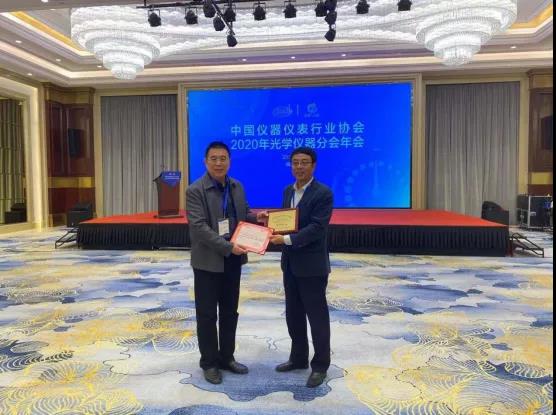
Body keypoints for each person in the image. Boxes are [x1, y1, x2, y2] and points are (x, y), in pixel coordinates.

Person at [186, 141, 265, 384]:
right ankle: (209, 363)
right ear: (205, 161)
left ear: (229, 161)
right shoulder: (195, 190)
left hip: (233, 260)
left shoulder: (236, 186)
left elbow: (243, 215)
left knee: (230, 312)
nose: (219, 163)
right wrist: (228, 247)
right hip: (208, 262)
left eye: (223, 159)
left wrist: (257, 218)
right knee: (207, 314)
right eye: (214, 159)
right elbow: (199, 228)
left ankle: (227, 357)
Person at [269, 147, 334, 388]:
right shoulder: (288, 191)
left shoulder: (323, 193)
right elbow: (287, 221)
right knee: (293, 314)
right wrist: (270, 222)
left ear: (313, 165)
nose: (299, 167)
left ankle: (320, 365)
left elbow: (317, 228)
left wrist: (285, 239)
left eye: (304, 162)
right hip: (290, 264)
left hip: (312, 266)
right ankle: (298, 358)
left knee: (317, 317)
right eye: (295, 162)